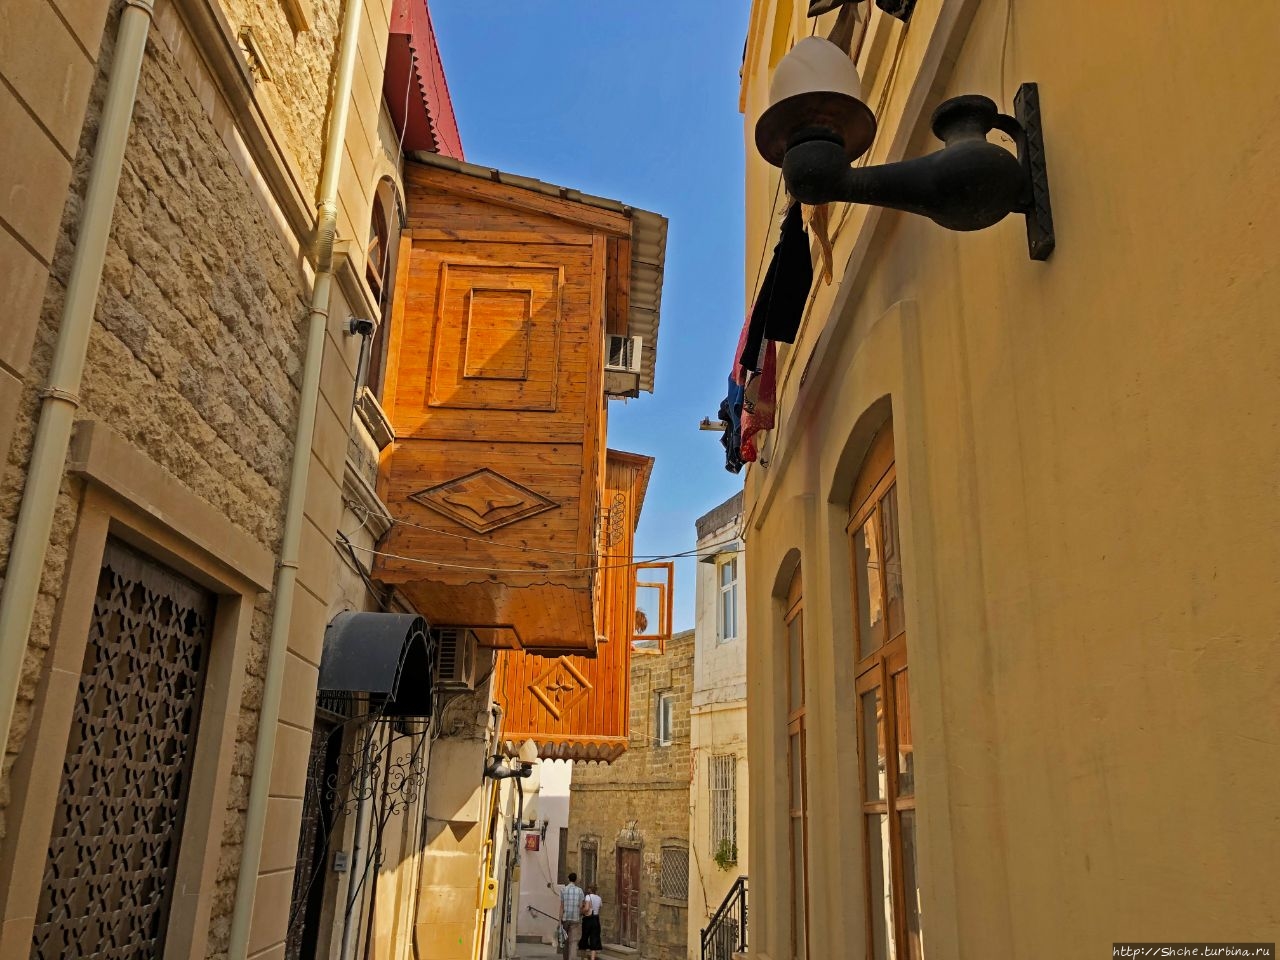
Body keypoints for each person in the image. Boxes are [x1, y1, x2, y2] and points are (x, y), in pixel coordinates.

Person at [558, 872, 584, 960]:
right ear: (576, 880)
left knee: (565, 941)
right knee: (573, 942)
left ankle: (565, 958)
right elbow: (581, 906)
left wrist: (559, 920)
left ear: (568, 879)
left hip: (565, 918)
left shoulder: (563, 890)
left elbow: (562, 906)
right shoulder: (580, 891)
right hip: (575, 919)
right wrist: (580, 914)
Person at [578, 884, 603, 960]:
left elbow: (586, 908)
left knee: (584, 938)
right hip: (596, 919)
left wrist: (581, 912)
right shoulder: (599, 898)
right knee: (594, 939)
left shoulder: (588, 897)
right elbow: (600, 908)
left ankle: (582, 958)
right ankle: (592, 958)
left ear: (589, 889)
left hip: (588, 920)